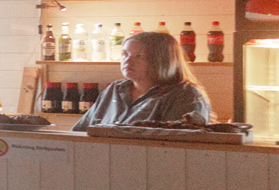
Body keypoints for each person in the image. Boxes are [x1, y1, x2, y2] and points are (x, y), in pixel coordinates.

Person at [76, 30, 213, 130]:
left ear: (161, 61)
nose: (128, 61)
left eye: (139, 56)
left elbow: (179, 149)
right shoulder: (115, 89)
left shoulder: (185, 95)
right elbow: (78, 133)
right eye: (125, 54)